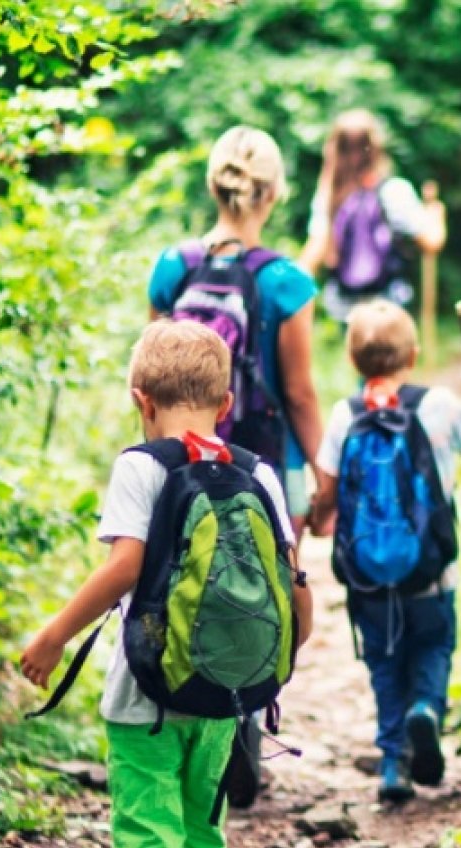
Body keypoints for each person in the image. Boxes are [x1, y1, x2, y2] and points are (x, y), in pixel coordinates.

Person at [21, 321, 313, 848]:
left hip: (145, 694)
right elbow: (293, 583)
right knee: (198, 820)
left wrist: (55, 636)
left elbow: (124, 566)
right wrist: (274, 657)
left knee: (150, 828)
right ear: (226, 405)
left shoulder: (142, 467)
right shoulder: (257, 473)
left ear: (141, 401)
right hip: (226, 694)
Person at [309, 300, 461, 802]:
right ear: (413, 355)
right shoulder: (438, 405)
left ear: (353, 362)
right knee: (433, 649)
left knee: (384, 664)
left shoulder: (343, 415)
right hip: (431, 575)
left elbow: (326, 496)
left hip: (368, 579)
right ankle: (427, 712)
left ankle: (393, 763)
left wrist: (319, 516)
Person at [150, 125, 326, 538]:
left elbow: (151, 377)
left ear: (214, 186)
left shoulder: (172, 266)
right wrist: (325, 479)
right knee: (276, 591)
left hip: (183, 465)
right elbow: (299, 395)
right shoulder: (287, 281)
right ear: (272, 193)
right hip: (271, 467)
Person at [299, 110, 448, 322]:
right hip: (389, 306)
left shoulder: (330, 198)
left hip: (346, 309)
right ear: (376, 148)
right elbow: (432, 242)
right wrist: (436, 215)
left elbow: (312, 257)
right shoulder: (394, 191)